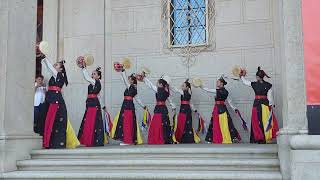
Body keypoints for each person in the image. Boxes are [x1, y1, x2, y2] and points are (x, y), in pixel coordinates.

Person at [41, 57, 79, 149]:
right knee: (51, 121)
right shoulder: (54, 76)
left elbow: (49, 67)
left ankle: (54, 142)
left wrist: (44, 57)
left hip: (55, 101)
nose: (55, 65)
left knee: (52, 121)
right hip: (52, 100)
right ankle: (50, 142)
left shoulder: (58, 75)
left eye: (57, 64)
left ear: (61, 69)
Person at [240, 67, 279, 144]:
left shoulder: (255, 84)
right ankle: (263, 137)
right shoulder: (268, 85)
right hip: (264, 105)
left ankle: (260, 138)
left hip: (258, 105)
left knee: (257, 121)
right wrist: (271, 104)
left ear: (258, 77)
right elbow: (270, 96)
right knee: (265, 121)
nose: (256, 78)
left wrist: (242, 76)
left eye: (257, 76)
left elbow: (245, 82)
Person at [200, 76, 241, 144]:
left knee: (216, 123)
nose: (216, 83)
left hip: (218, 108)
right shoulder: (225, 91)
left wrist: (201, 86)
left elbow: (208, 90)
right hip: (222, 108)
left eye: (218, 82)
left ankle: (211, 139)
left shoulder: (218, 91)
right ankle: (233, 137)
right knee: (227, 123)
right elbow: (229, 101)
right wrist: (234, 108)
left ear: (222, 83)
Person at [110, 69, 145, 145]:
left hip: (128, 106)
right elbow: (138, 99)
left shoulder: (131, 87)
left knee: (127, 122)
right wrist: (120, 71)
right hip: (126, 105)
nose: (128, 80)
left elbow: (137, 98)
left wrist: (123, 72)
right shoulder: (132, 87)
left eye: (129, 79)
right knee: (126, 122)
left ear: (132, 81)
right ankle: (127, 139)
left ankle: (128, 140)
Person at [143, 74, 176, 144]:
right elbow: (170, 100)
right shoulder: (166, 91)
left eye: (157, 83)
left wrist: (145, 78)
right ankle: (165, 138)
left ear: (160, 84)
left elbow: (150, 85)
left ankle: (157, 138)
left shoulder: (157, 89)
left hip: (158, 109)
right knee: (164, 123)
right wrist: (173, 106)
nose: (156, 84)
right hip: (163, 109)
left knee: (156, 123)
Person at [77, 67, 106, 147]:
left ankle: (93, 140)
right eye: (92, 74)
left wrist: (83, 68)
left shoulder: (96, 82)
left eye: (94, 74)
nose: (92, 75)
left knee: (93, 122)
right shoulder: (91, 84)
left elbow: (86, 77)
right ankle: (88, 140)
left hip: (94, 105)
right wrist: (103, 106)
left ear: (99, 76)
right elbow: (99, 96)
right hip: (90, 104)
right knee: (88, 122)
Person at [171, 79, 200, 143]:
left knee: (187, 124)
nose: (182, 86)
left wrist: (194, 109)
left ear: (187, 87)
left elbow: (190, 102)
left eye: (183, 86)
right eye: (182, 85)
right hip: (182, 109)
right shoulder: (183, 92)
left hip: (186, 110)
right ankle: (181, 137)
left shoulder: (187, 92)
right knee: (181, 123)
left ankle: (187, 139)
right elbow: (191, 103)